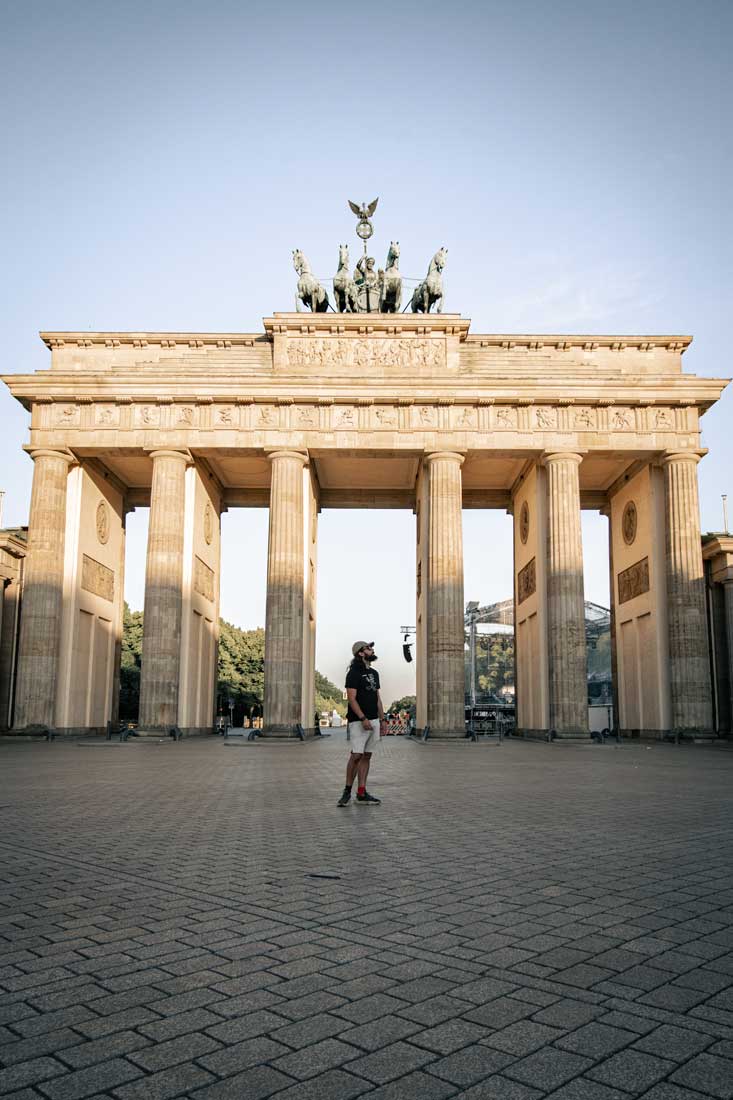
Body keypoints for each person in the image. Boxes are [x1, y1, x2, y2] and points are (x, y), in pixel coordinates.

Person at [337, 641, 384, 806]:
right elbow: (351, 699)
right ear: (361, 653)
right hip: (358, 721)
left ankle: (362, 793)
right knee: (356, 755)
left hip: (374, 720)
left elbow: (377, 698)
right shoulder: (353, 673)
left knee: (367, 755)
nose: (372, 650)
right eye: (368, 648)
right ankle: (347, 791)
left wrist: (382, 719)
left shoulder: (374, 673)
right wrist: (363, 718)